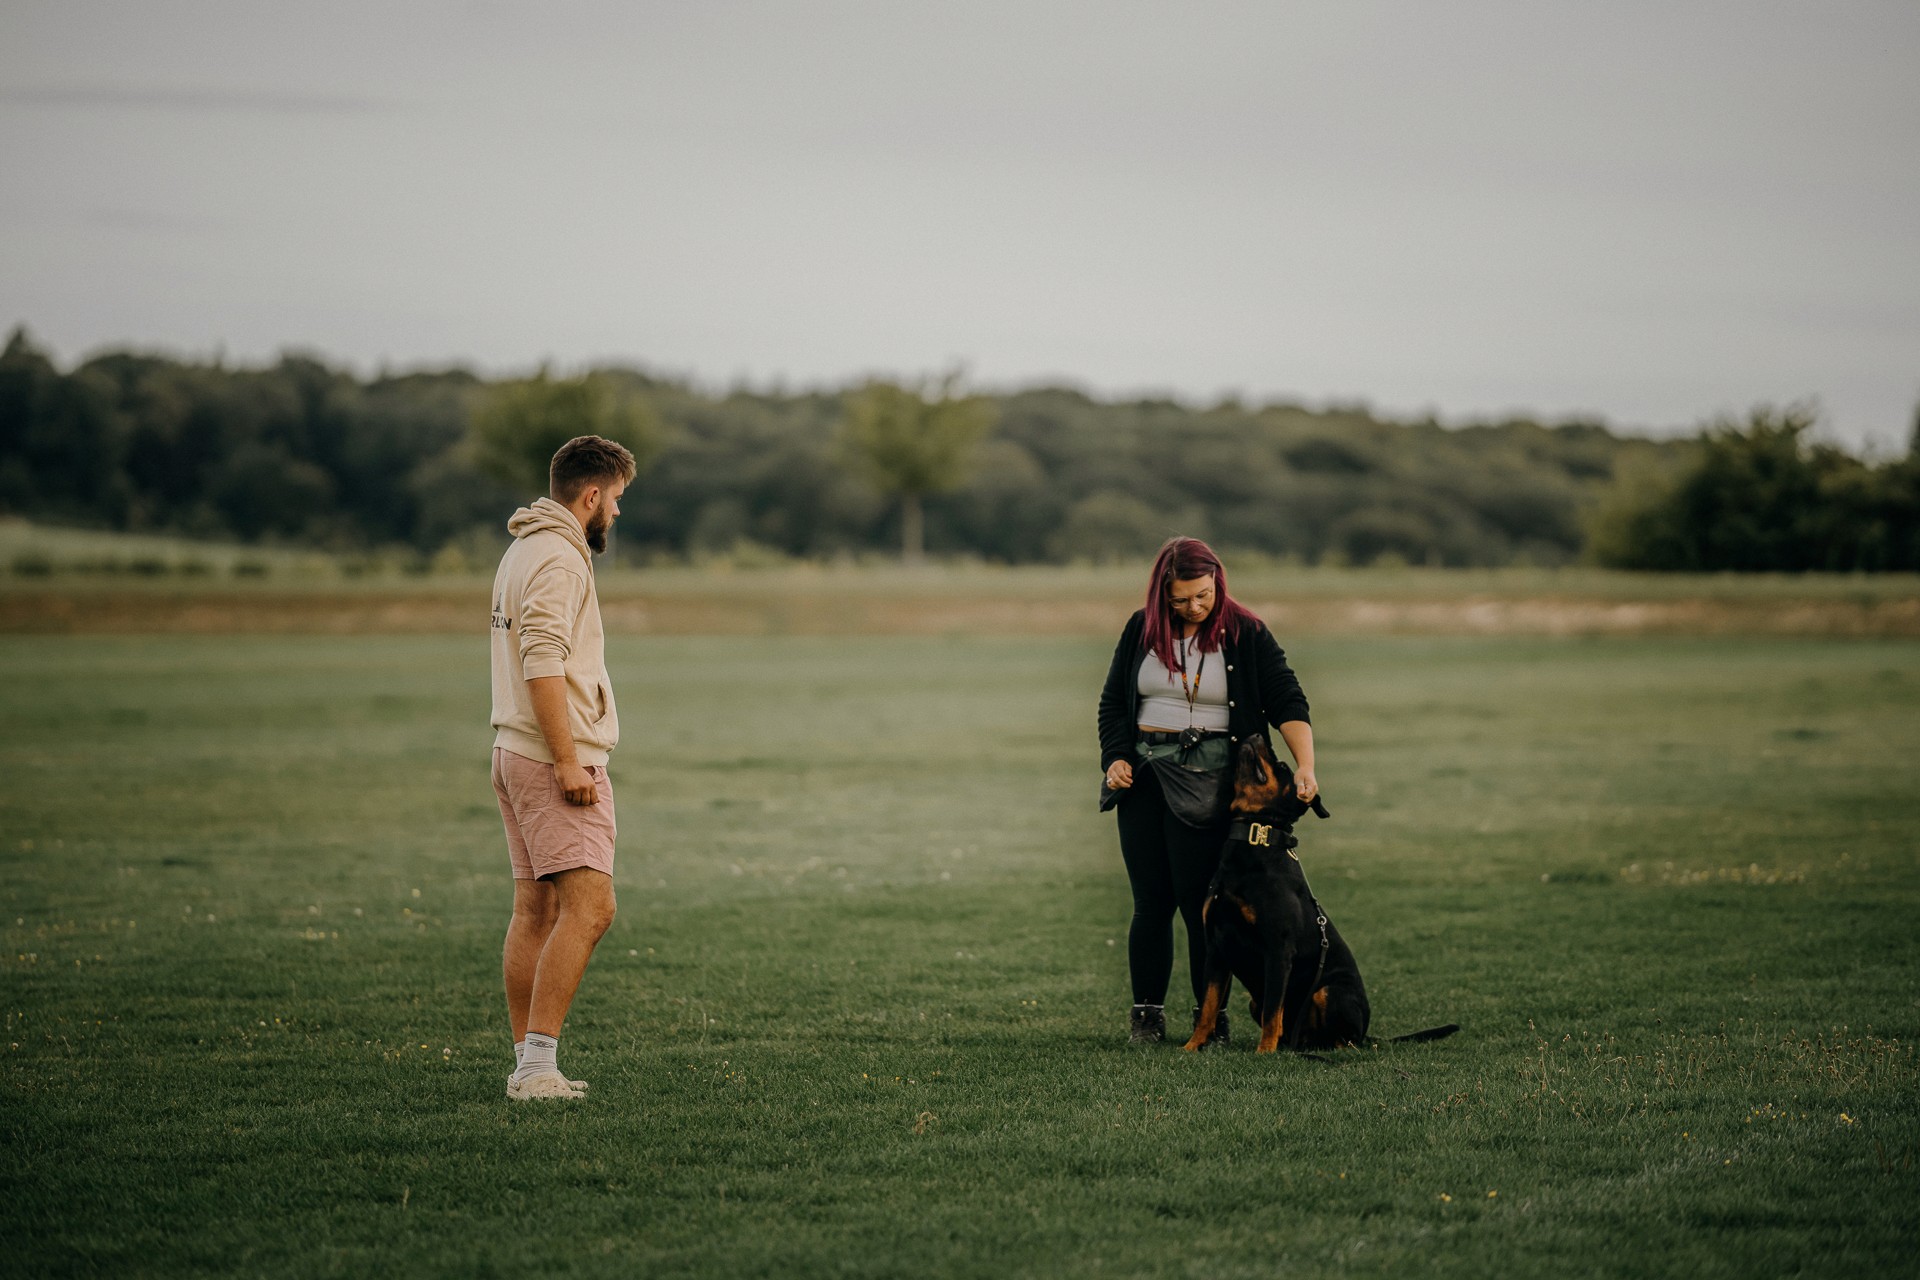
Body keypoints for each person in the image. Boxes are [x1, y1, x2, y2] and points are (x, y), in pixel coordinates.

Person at [1096, 536, 1316, 1046]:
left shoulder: (1246, 632)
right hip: (1147, 778)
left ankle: (1209, 1020)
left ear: (1217, 581)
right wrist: (1116, 759)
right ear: (1161, 594)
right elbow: (1113, 704)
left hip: (1215, 781)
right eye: (1180, 598)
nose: (1193, 606)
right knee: (1149, 902)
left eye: (1202, 595)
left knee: (1201, 904)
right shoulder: (1140, 629)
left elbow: (1287, 698)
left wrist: (1305, 765)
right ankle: (1147, 1019)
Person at [489, 434, 636, 1100]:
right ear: (593, 494)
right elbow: (541, 661)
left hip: (514, 751)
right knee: (591, 908)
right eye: (618, 501)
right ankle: (538, 1068)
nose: (617, 516)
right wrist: (570, 760)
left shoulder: (523, 548)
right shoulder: (558, 558)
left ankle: (529, 1067)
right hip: (552, 759)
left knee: (537, 912)